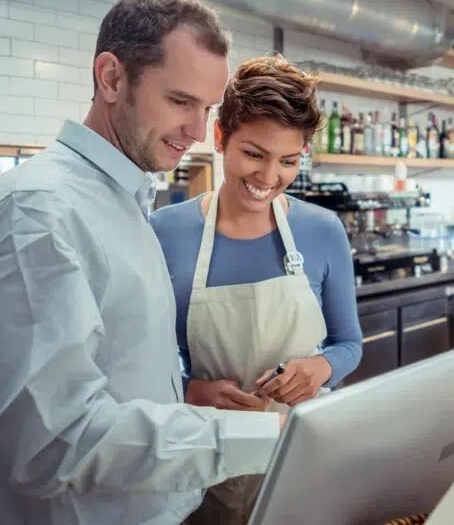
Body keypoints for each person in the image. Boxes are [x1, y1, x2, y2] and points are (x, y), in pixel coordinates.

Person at [0, 0, 286, 525]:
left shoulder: (122, 201)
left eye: (207, 109)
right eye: (180, 101)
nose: (198, 133)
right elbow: (54, 443)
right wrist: (265, 436)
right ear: (110, 78)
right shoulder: (34, 213)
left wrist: (187, 397)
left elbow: (119, 374)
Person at [149, 55, 364, 524]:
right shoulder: (164, 233)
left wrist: (319, 367)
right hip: (206, 457)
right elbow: (143, 361)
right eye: (254, 154)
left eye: (288, 161)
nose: (269, 178)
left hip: (300, 454)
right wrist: (191, 390)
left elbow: (350, 345)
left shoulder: (323, 230)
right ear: (221, 138)